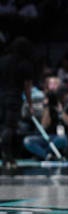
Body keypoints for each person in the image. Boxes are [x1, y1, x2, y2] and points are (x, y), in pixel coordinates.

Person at [0, 37, 34, 170]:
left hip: (1, 97)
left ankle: (6, 156)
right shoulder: (25, 64)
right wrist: (30, 104)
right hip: (13, 98)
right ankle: (7, 156)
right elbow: (27, 87)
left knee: (3, 127)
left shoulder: (2, 61)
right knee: (9, 127)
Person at [22, 76, 68, 160]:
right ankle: (48, 156)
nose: (53, 86)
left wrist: (61, 111)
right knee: (27, 141)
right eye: (51, 84)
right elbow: (44, 125)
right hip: (45, 137)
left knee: (62, 139)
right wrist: (47, 108)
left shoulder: (66, 102)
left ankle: (43, 154)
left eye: (55, 84)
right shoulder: (42, 103)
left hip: (59, 137)